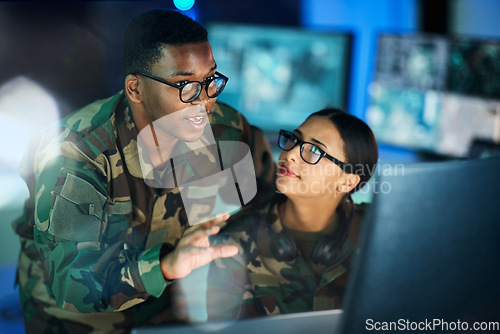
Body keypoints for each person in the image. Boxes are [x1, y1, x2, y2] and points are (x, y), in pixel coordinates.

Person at [11, 8, 275, 333]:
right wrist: (165, 266)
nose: (205, 100)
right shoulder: (76, 152)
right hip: (84, 318)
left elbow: (270, 209)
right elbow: (73, 284)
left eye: (210, 80)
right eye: (185, 86)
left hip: (176, 304)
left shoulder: (228, 129)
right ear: (135, 89)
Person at [207, 108, 378, 319]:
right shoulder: (235, 239)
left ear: (348, 181)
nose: (291, 154)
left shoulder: (379, 232)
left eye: (314, 151)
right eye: (294, 140)